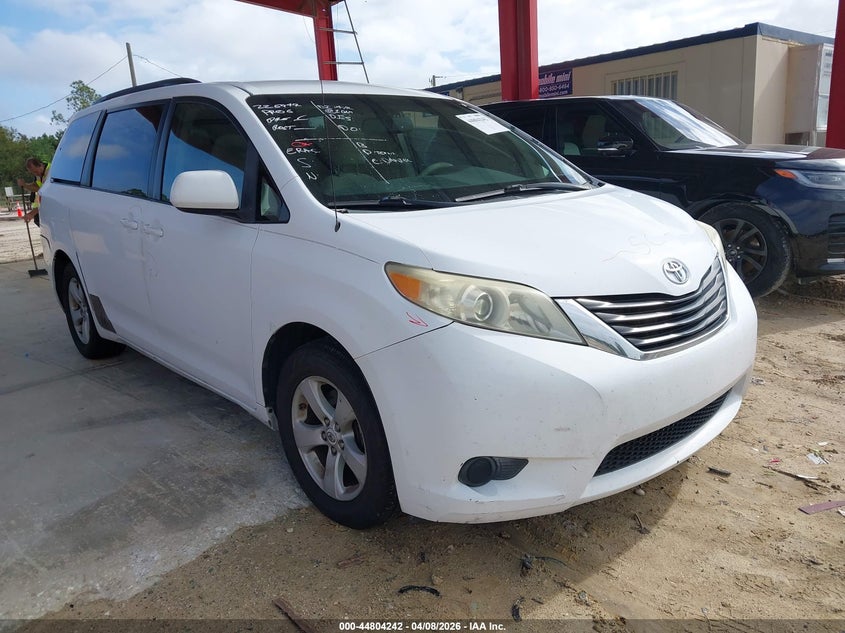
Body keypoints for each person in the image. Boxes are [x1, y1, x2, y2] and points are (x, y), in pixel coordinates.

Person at [17, 157, 50, 226]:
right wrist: (25, 185)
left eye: (35, 171)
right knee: (38, 221)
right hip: (40, 205)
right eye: (32, 173)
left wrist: (32, 213)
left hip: (48, 205)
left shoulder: (51, 172)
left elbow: (45, 194)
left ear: (40, 165)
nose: (35, 174)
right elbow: (37, 186)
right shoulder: (39, 174)